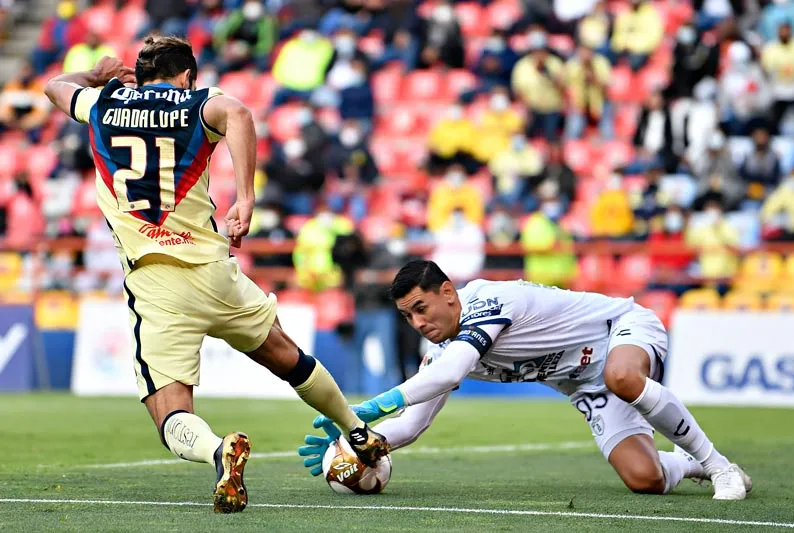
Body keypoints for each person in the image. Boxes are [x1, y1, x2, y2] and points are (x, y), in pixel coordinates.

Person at [43, 37, 388, 513]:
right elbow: (240, 115)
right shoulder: (195, 101)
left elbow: (53, 87)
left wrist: (97, 74)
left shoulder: (102, 102)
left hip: (155, 282)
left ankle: (217, 450)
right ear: (186, 75)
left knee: (170, 412)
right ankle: (356, 429)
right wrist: (245, 198)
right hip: (212, 270)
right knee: (287, 355)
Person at [299, 260, 753, 501]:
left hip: (620, 329)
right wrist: (357, 439)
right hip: (582, 382)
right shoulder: (439, 350)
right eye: (407, 316)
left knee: (621, 376)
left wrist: (370, 407)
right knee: (645, 479)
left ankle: (719, 466)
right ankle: (691, 464)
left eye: (422, 308)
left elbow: (453, 371)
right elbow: (412, 425)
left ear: (448, 294)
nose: (417, 322)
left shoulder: (488, 303)